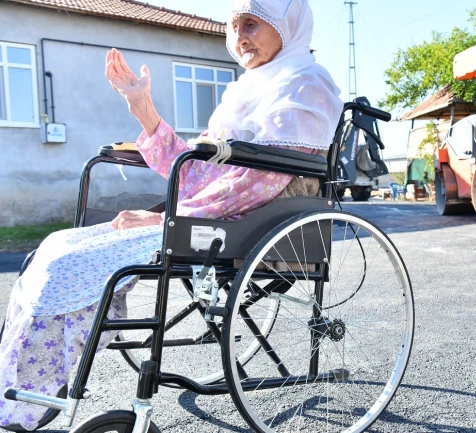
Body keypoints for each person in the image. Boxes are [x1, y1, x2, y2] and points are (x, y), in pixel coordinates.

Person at [0, 0, 342, 429]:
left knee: (76, 263)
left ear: (287, 28)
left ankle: (40, 387)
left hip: (251, 218)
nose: (239, 36)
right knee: (57, 246)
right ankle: (30, 385)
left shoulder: (307, 84)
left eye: (252, 23)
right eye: (234, 25)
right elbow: (197, 171)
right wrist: (142, 107)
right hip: (217, 212)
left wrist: (168, 220)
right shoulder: (245, 90)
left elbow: (263, 180)